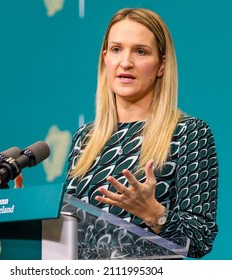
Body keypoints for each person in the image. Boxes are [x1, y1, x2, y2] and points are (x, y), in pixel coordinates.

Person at [62, 7, 219, 259]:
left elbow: (200, 239)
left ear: (161, 65)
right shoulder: (85, 139)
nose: (126, 62)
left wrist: (153, 213)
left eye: (140, 51)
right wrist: (33, 214)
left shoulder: (189, 133)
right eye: (116, 49)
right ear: (105, 59)